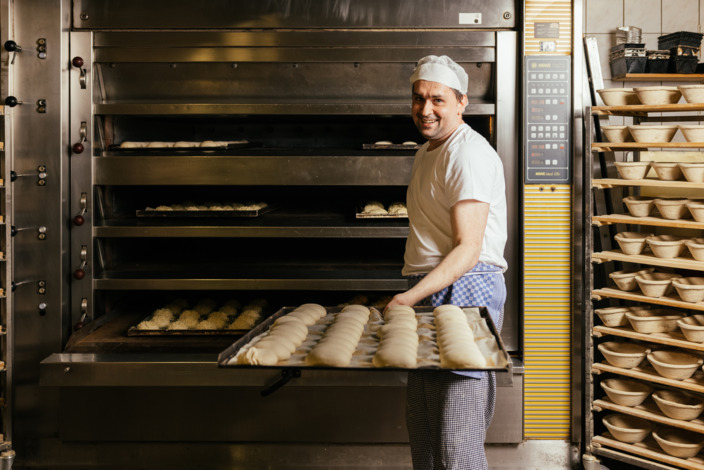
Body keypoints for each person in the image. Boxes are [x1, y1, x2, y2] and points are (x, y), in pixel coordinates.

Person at [385, 55, 508, 470]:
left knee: (457, 443)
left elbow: (468, 248)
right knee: (424, 434)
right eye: (418, 98)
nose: (425, 109)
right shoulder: (427, 152)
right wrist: (415, 298)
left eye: (437, 99)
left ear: (461, 102)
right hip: (428, 291)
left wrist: (405, 301)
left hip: (466, 289)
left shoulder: (468, 154)